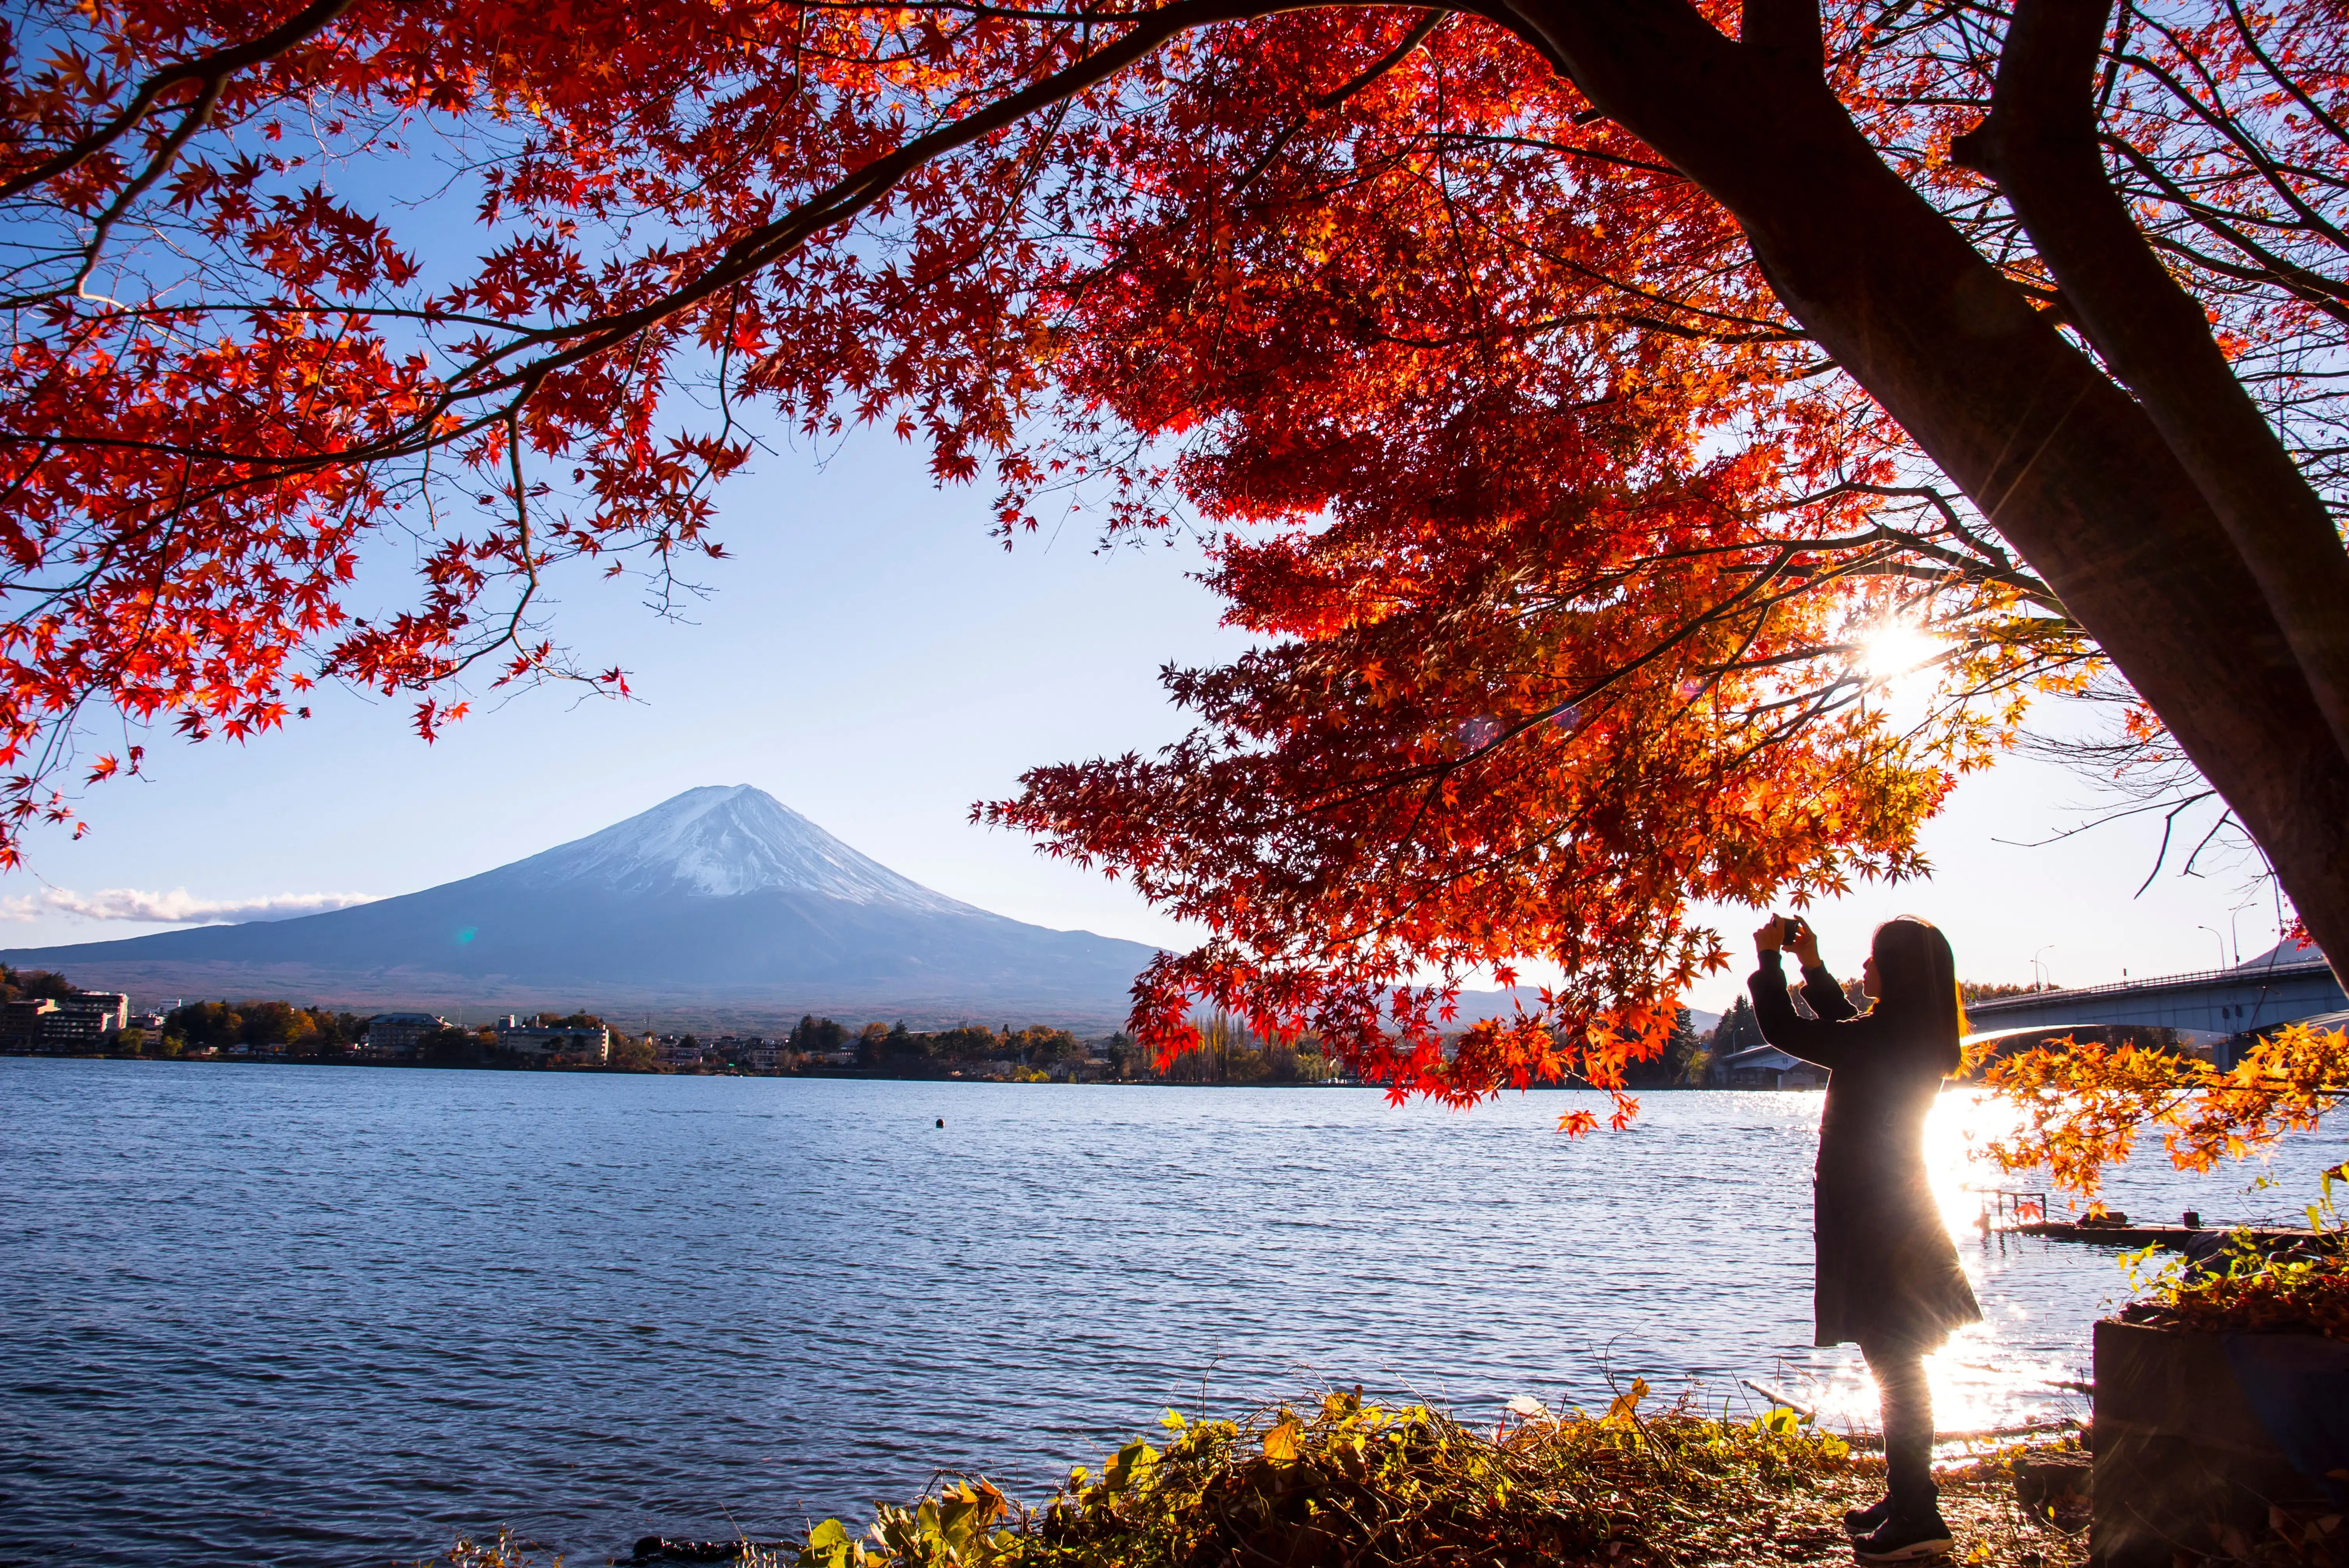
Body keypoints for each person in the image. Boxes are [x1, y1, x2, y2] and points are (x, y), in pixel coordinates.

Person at [1748, 913, 1982, 1564]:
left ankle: (1918, 1514)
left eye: (1875, 960)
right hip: (1899, 1209)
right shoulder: (1911, 1033)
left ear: (1899, 971)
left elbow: (1790, 1030)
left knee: (1896, 1359)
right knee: (1896, 1356)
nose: (1866, 969)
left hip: (1880, 1218)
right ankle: (1908, 1494)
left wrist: (1770, 962)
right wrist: (1812, 967)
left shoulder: (1885, 1039)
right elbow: (1845, 1026)